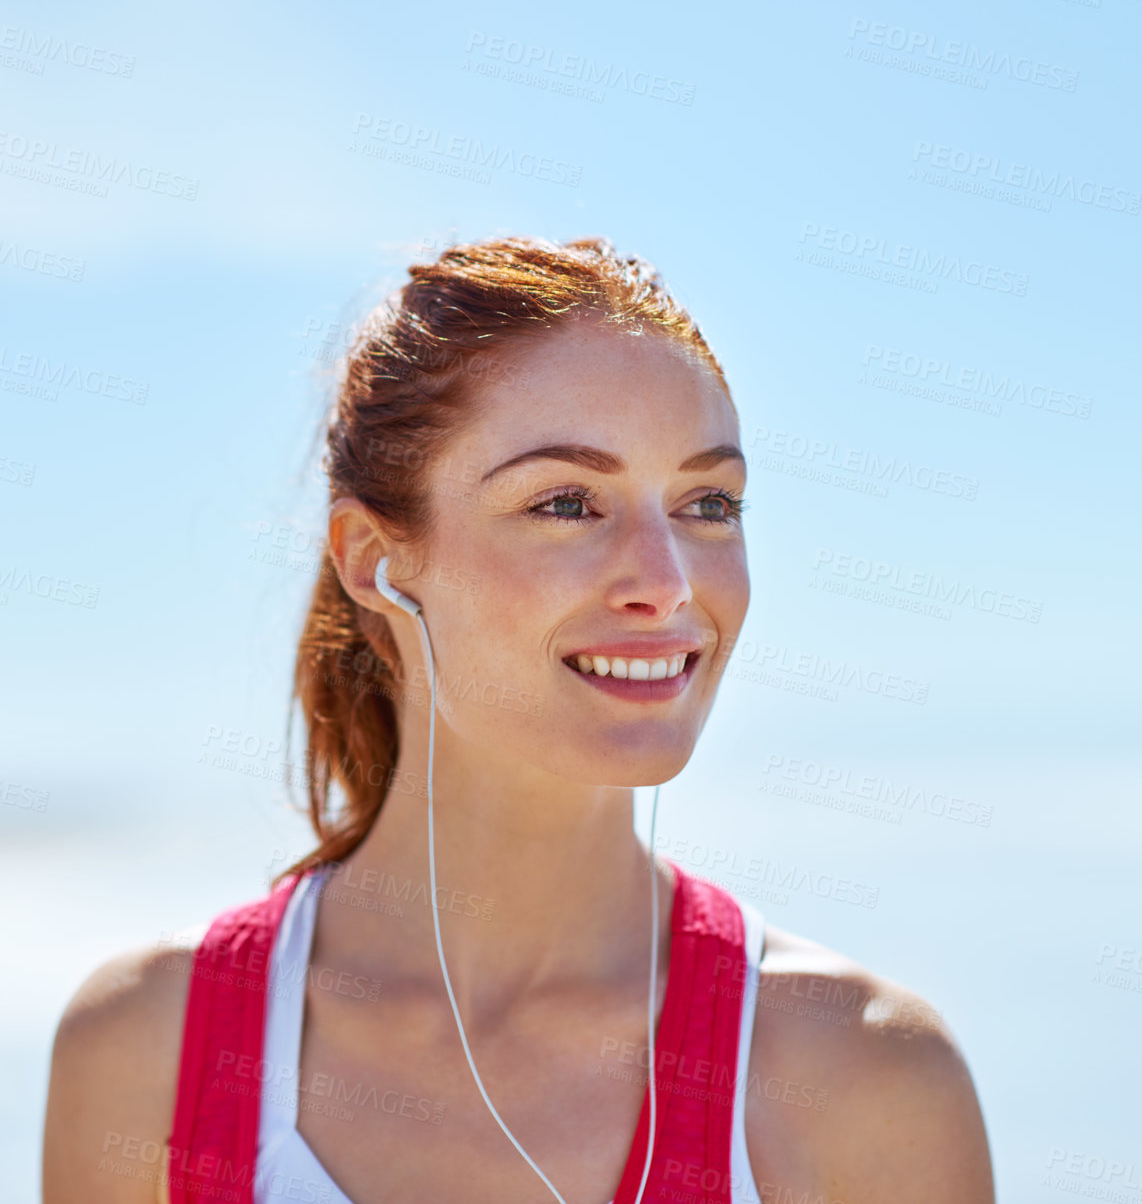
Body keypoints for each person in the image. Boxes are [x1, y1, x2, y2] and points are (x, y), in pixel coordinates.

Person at [41, 236, 996, 1203]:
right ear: (374, 557)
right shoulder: (149, 1052)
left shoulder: (864, 1079)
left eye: (708, 503)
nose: (667, 586)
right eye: (569, 503)